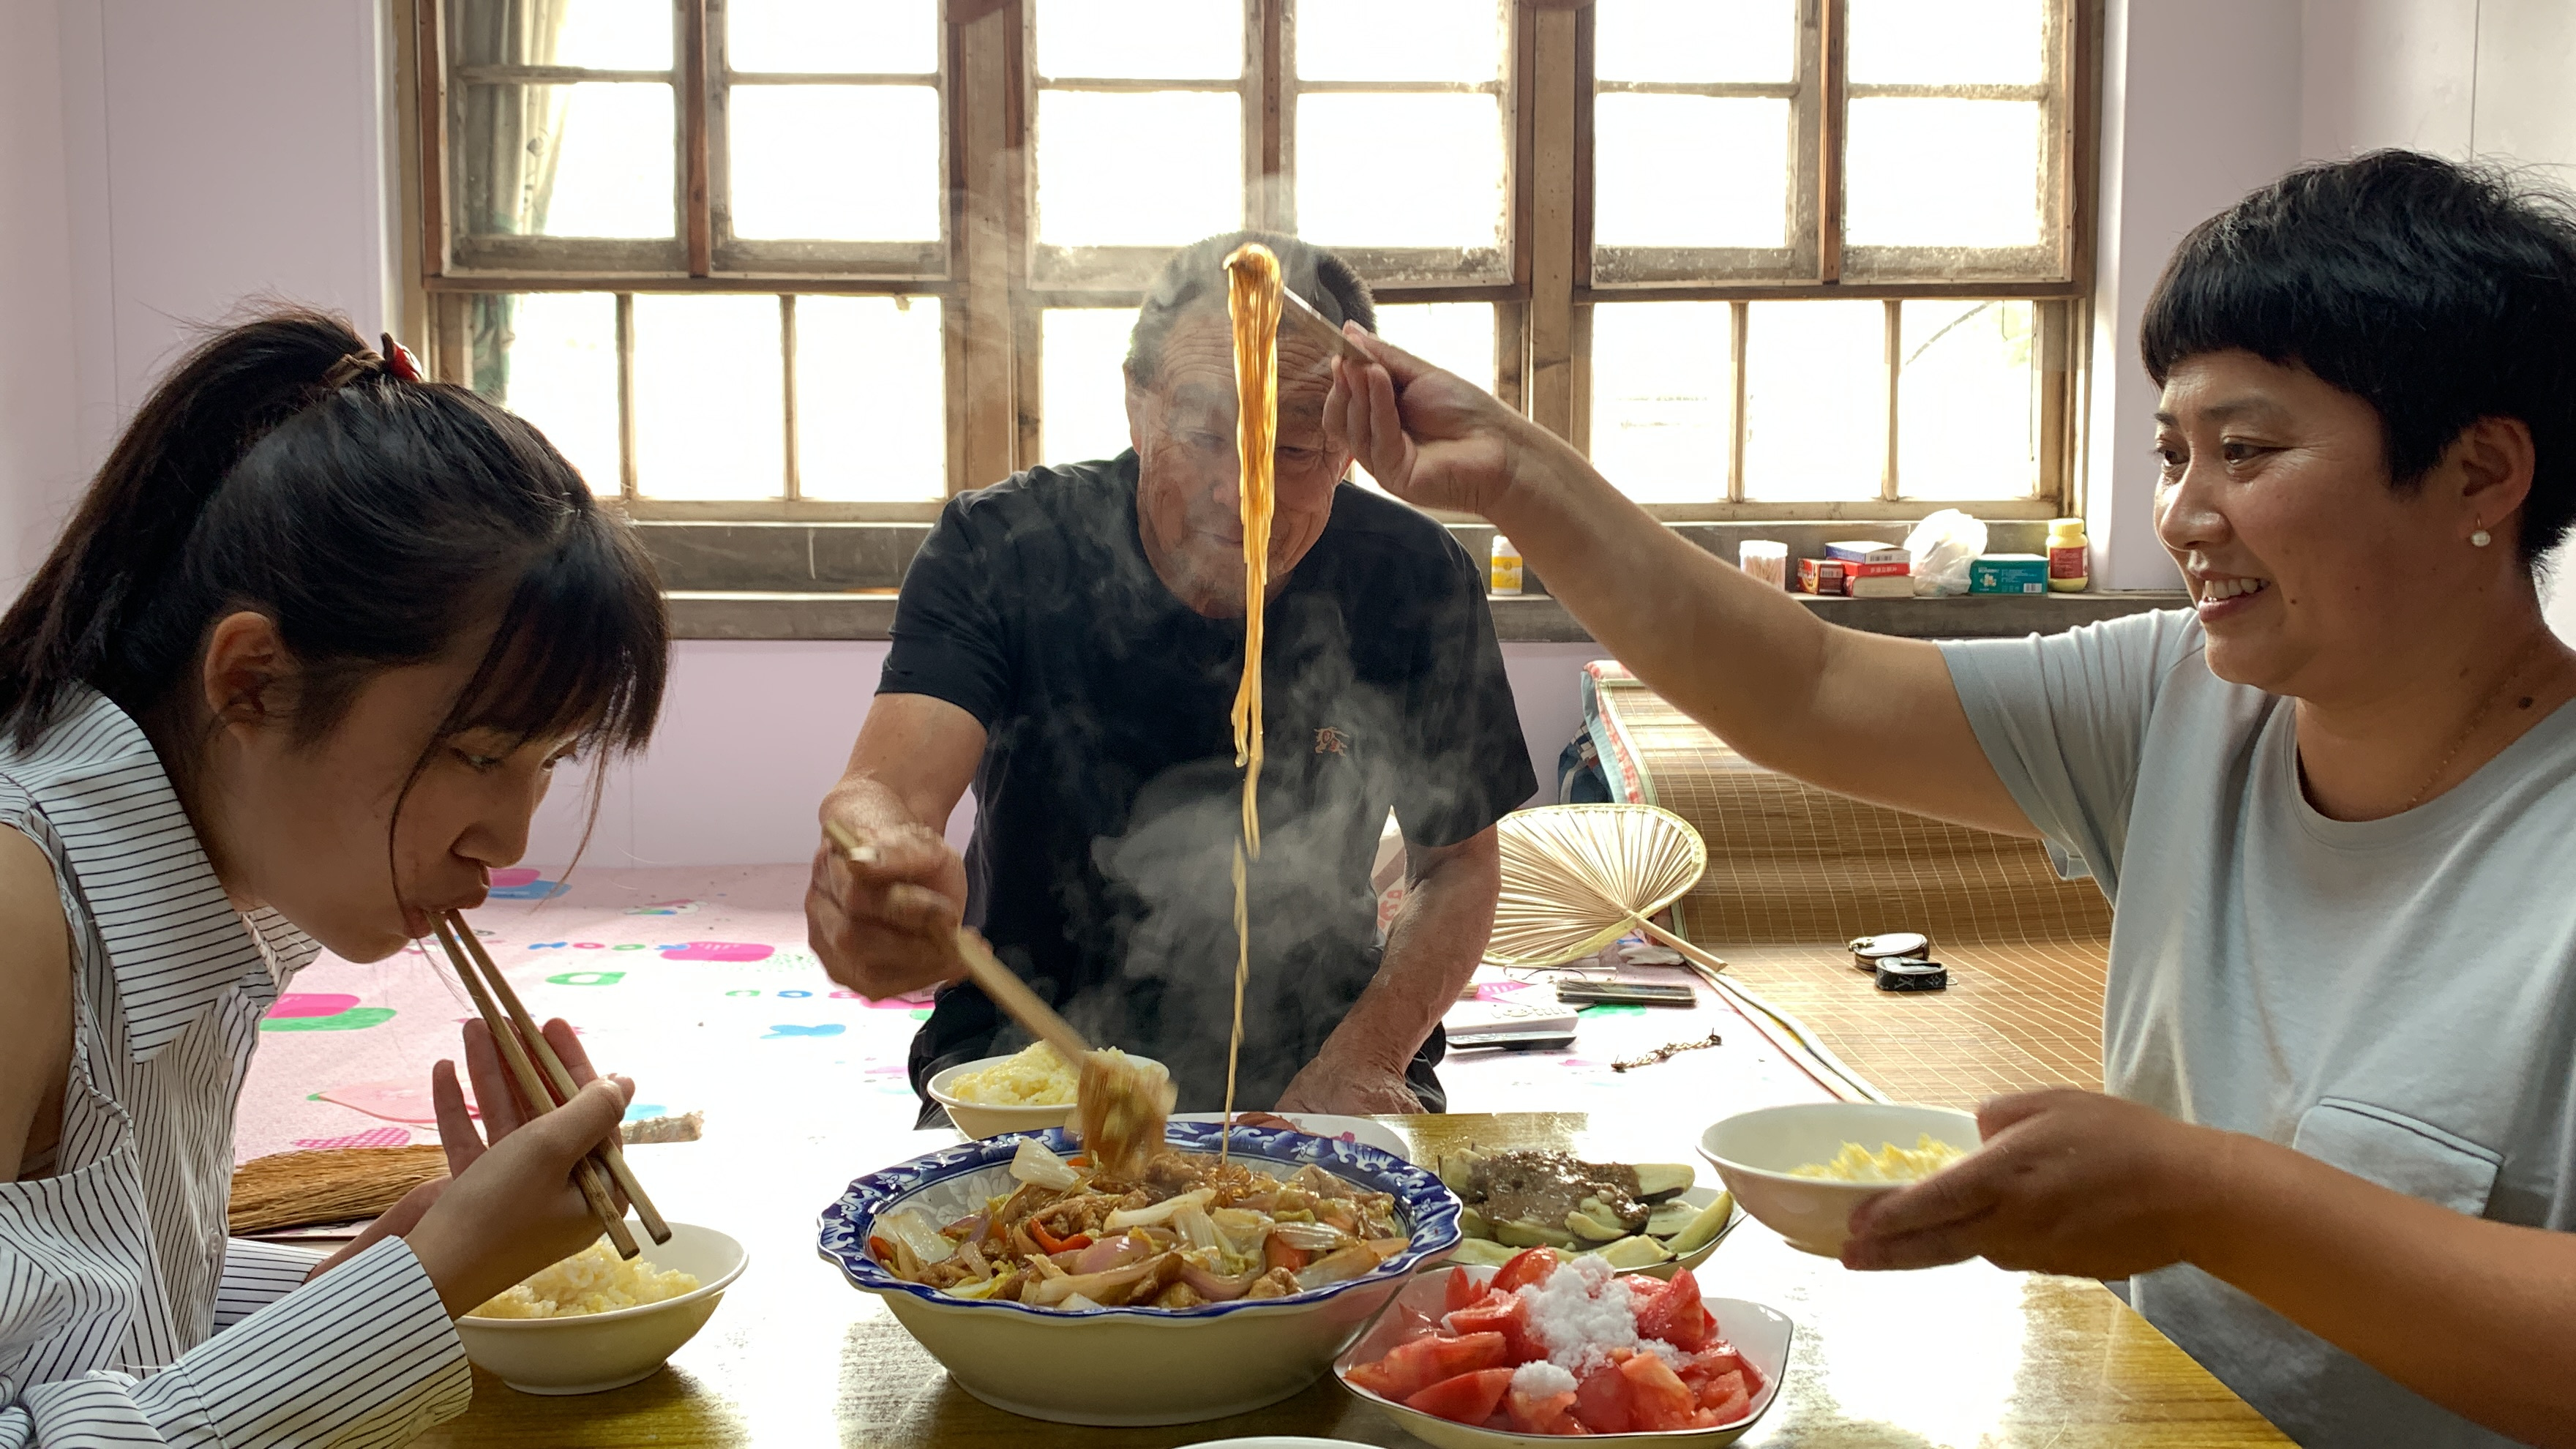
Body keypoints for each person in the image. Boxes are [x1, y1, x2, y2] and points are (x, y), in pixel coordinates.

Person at [1321, 152, 2576, 1447]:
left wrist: (2210, 1199)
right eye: (2171, 451)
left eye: (2246, 451)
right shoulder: (2182, 702)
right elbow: (1805, 684)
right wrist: (1518, 475)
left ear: (2482, 473)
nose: (2185, 515)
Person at [0, 311, 670, 1445]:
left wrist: (408, 1255)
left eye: (547, 762)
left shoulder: (199, 884)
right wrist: (440, 1268)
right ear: (252, 680)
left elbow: (98, 1331)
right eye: (476, 752)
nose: (508, 842)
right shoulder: (18, 909)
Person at [808, 231, 1533, 1120]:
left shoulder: (1415, 580)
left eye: (1295, 450)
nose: (1241, 494)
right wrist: (876, 856)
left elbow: (1457, 868)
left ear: (1351, 445)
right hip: (1032, 1058)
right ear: (1136, 406)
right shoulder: (1002, 548)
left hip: (1327, 1050)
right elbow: (886, 788)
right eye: (1203, 432)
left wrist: (1371, 1057)